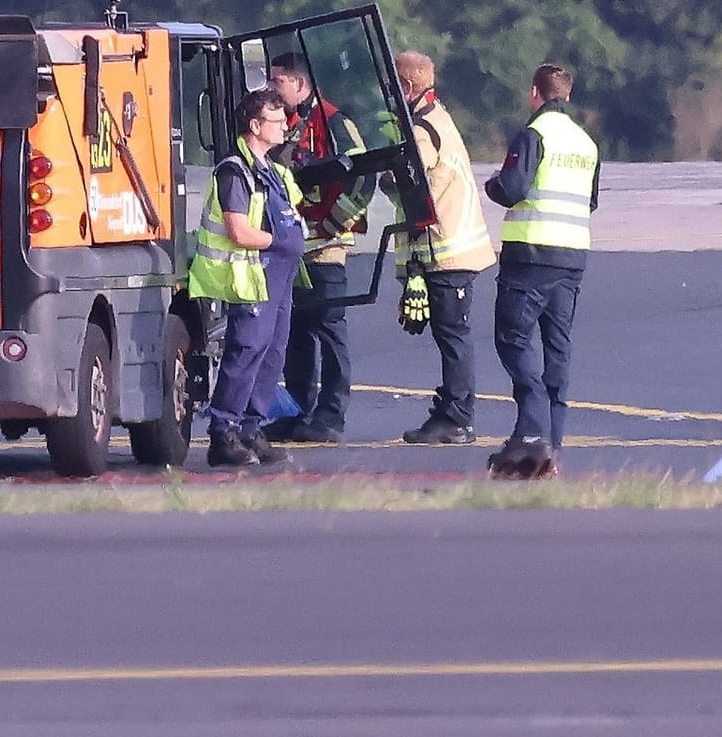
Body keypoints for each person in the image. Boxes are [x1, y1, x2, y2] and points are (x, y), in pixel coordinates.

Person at [483, 62, 599, 479]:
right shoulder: (586, 142)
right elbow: (589, 201)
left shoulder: (535, 134)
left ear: (536, 92)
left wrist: (493, 184)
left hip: (531, 254)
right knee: (557, 348)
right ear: (566, 94)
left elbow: (512, 189)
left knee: (512, 338)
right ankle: (551, 440)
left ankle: (532, 430)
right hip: (572, 257)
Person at [188, 88, 307, 468]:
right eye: (276, 121)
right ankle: (223, 433)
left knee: (273, 354)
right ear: (255, 126)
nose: (285, 128)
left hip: (279, 277)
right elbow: (238, 230)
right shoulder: (234, 171)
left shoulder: (274, 171)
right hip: (253, 275)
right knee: (246, 352)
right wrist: (280, 241)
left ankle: (251, 429)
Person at [391, 52, 498, 447]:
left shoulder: (422, 129)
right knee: (452, 335)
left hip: (447, 253)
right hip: (453, 250)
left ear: (407, 86)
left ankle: (456, 416)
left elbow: (412, 186)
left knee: (453, 336)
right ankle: (454, 410)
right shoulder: (438, 117)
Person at [264, 53, 370, 444]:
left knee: (329, 331)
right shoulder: (283, 126)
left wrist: (332, 223)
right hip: (292, 249)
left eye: (278, 82)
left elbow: (363, 179)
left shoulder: (335, 122)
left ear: (299, 83)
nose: (272, 89)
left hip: (326, 249)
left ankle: (330, 416)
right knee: (295, 334)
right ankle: (296, 411)